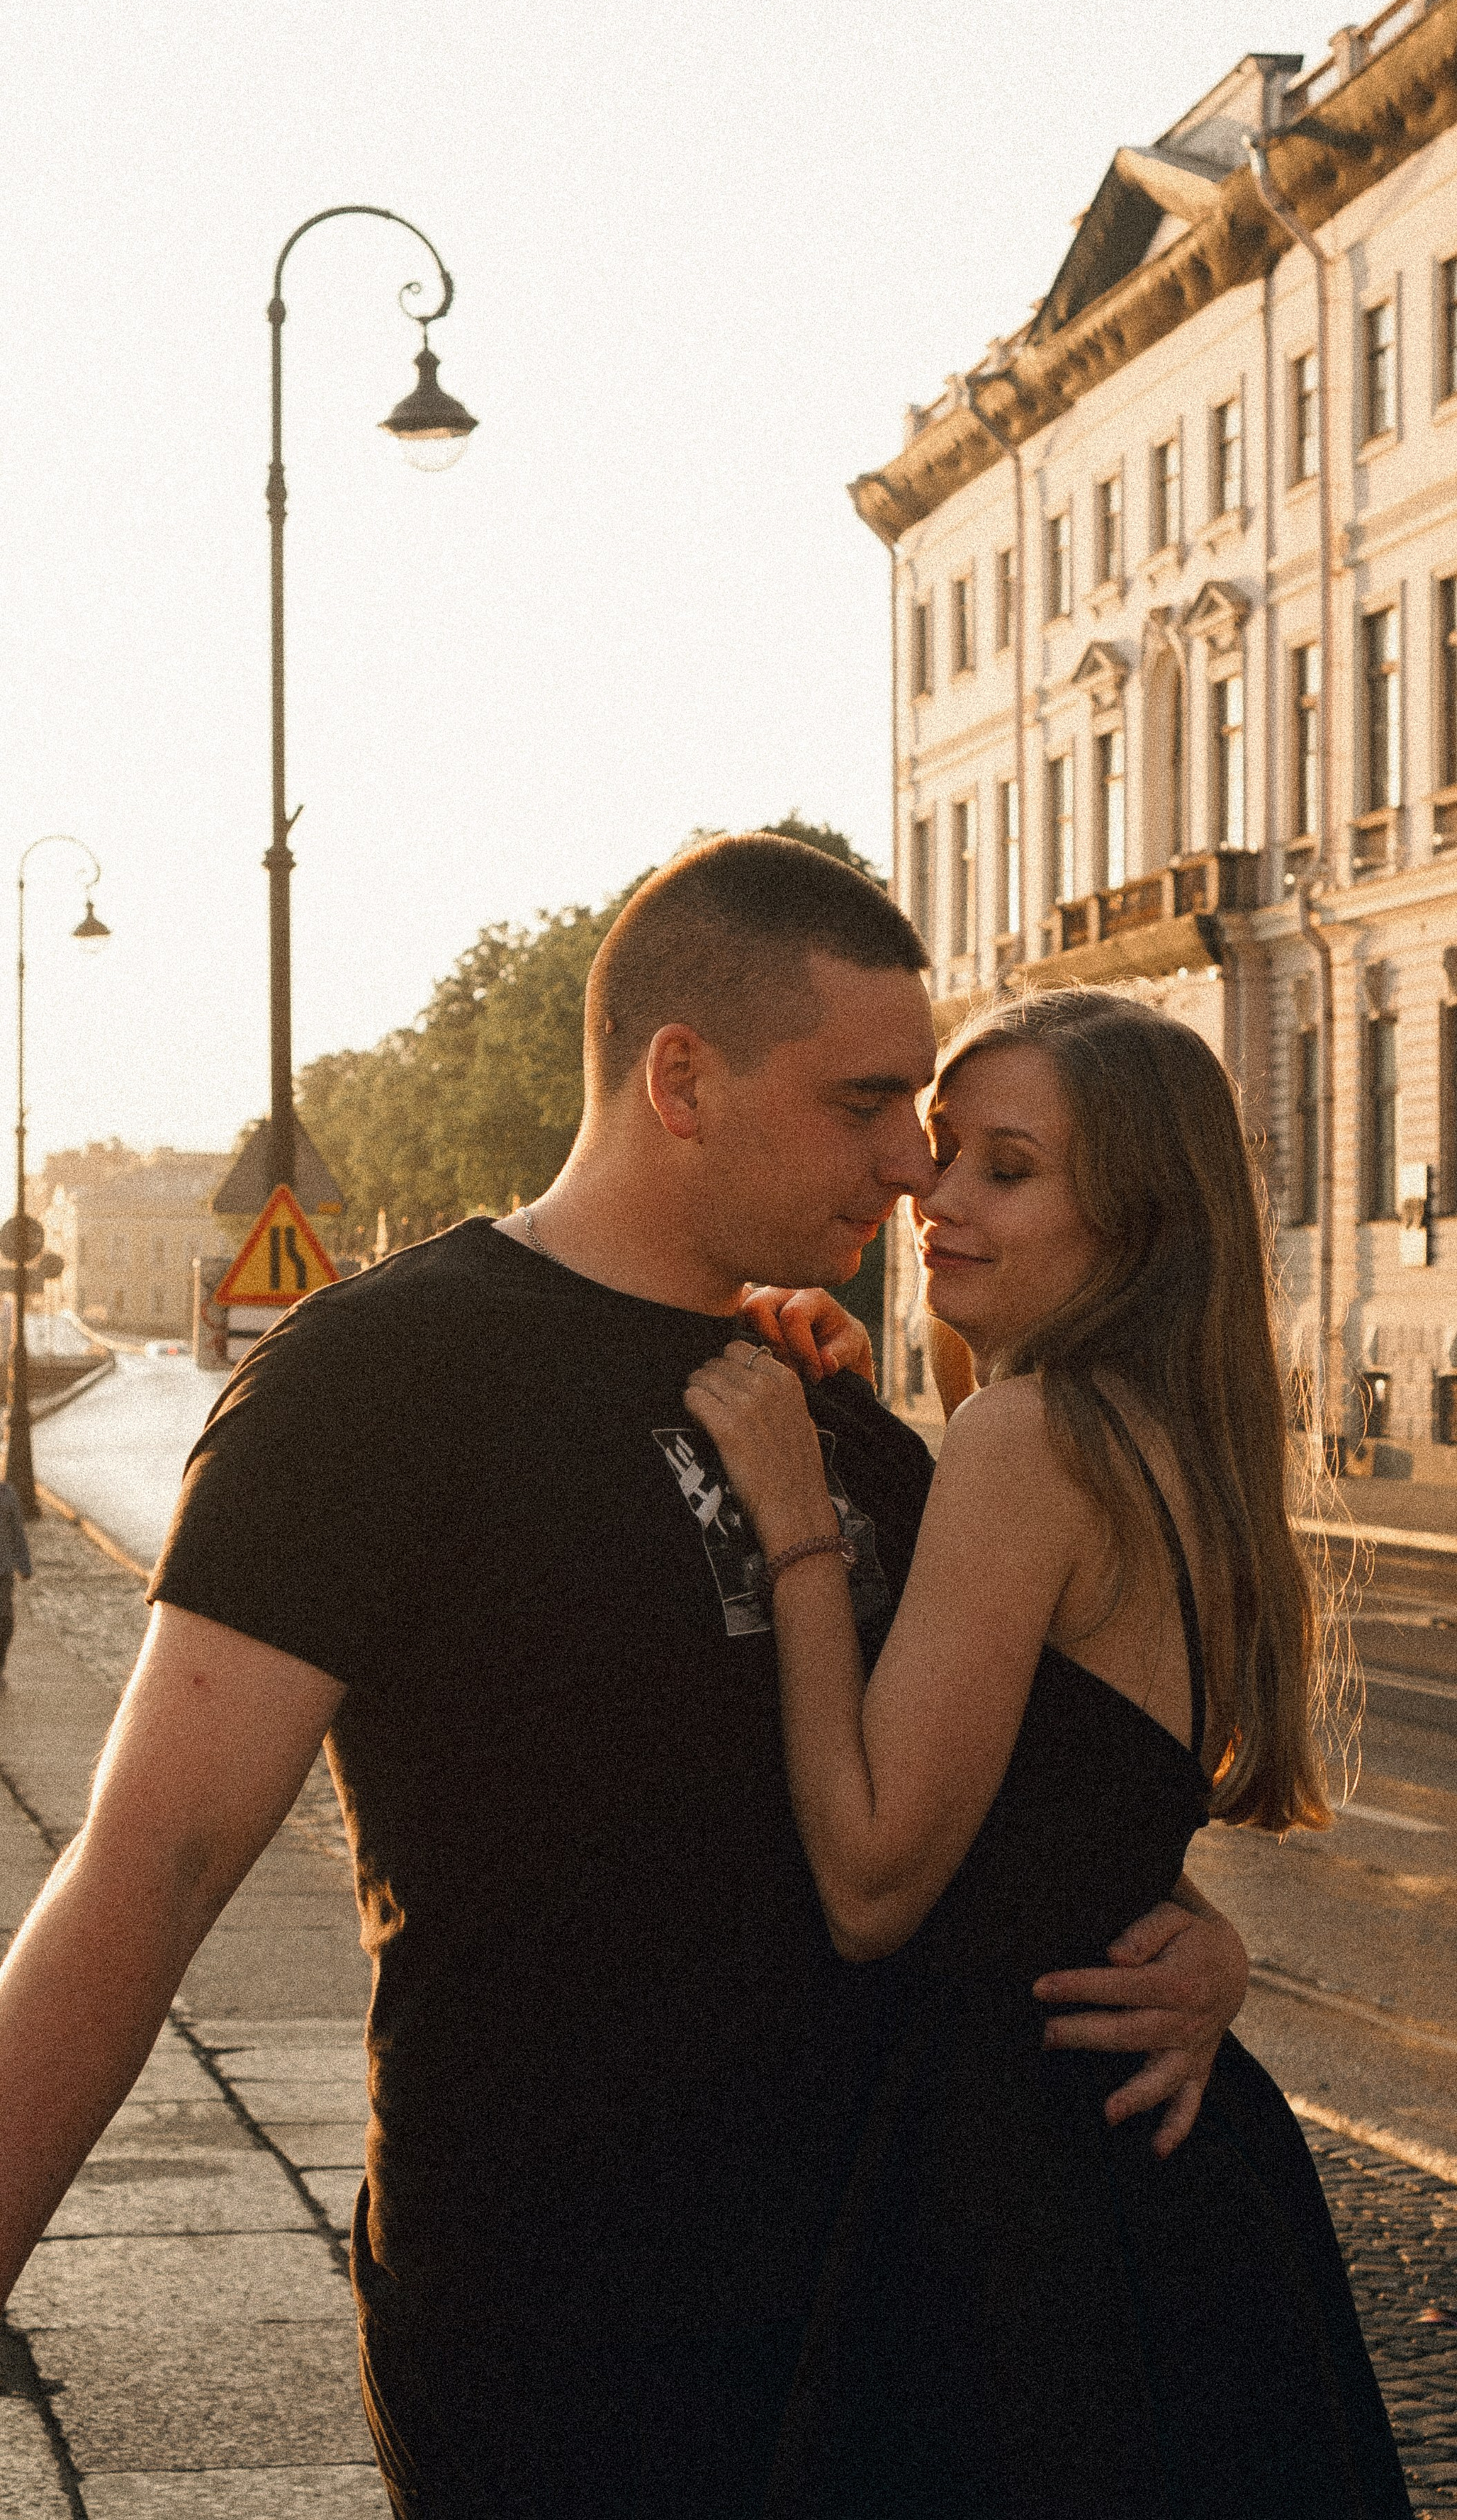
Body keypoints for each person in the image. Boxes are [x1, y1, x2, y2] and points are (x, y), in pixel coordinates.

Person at [0, 835, 1250, 2520]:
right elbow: (146, 1867)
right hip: (569, 2338)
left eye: (932, 1125)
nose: (907, 1162)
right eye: (866, 1102)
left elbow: (1013, 1780)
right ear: (680, 1077)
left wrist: (1188, 1935)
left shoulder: (816, 1395)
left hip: (892, 2330)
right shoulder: (379, 1379)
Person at [685, 984, 1413, 2520]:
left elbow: (875, 1882)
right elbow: (1080, 1824)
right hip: (1177, 2181)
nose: (932, 1196)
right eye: (942, 1152)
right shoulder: (1172, 1441)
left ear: (1134, 1223)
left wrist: (796, 1519)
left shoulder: (1033, 1440)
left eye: (1003, 1170)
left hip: (1014, 2188)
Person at [0, 1476, 32, 1672]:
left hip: (3, 1571)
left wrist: (24, 1564)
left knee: (5, 1619)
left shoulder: (7, 1495)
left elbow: (17, 1532)